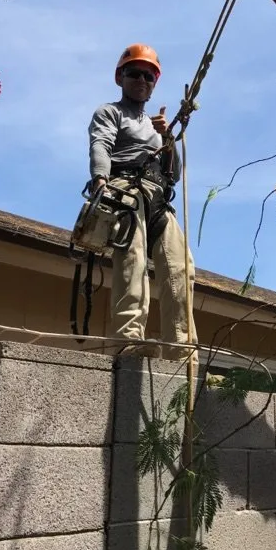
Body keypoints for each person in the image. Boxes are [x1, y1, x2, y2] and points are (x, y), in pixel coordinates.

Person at [87, 43, 198, 359]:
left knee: (180, 267)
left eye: (149, 76)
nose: (142, 80)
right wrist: (100, 179)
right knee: (132, 260)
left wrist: (168, 139)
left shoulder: (158, 126)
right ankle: (128, 341)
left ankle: (182, 350)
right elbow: (101, 144)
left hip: (158, 197)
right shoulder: (110, 112)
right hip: (125, 190)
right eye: (134, 73)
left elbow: (174, 174)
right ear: (120, 77)